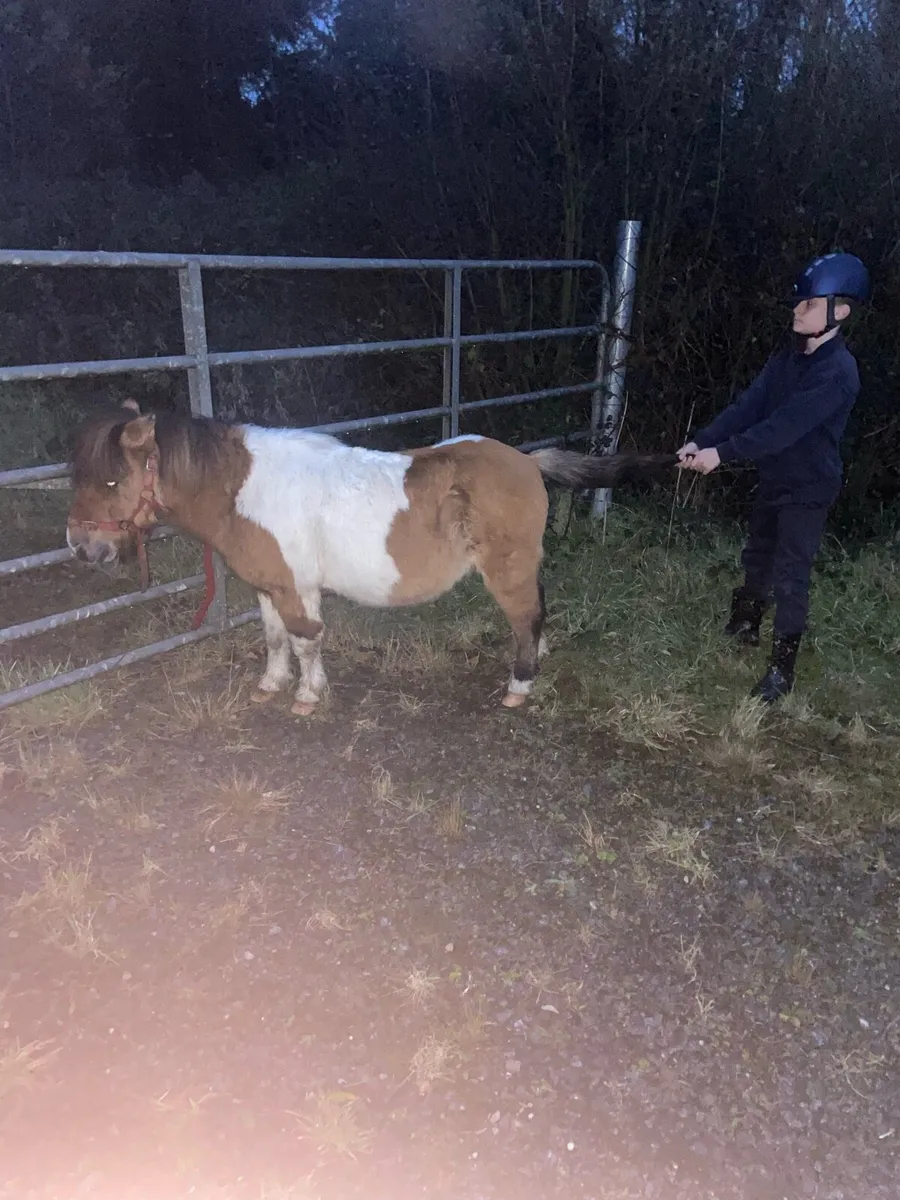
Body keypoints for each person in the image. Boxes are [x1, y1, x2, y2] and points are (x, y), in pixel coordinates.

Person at [677, 252, 870, 703]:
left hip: (809, 487)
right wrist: (701, 440)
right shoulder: (788, 359)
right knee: (758, 552)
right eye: (798, 302)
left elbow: (782, 428)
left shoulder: (838, 373)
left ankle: (782, 668)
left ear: (840, 311)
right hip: (774, 475)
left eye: (809, 304)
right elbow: (748, 407)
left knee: (790, 573)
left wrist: (721, 454)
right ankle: (745, 621)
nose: (797, 310)